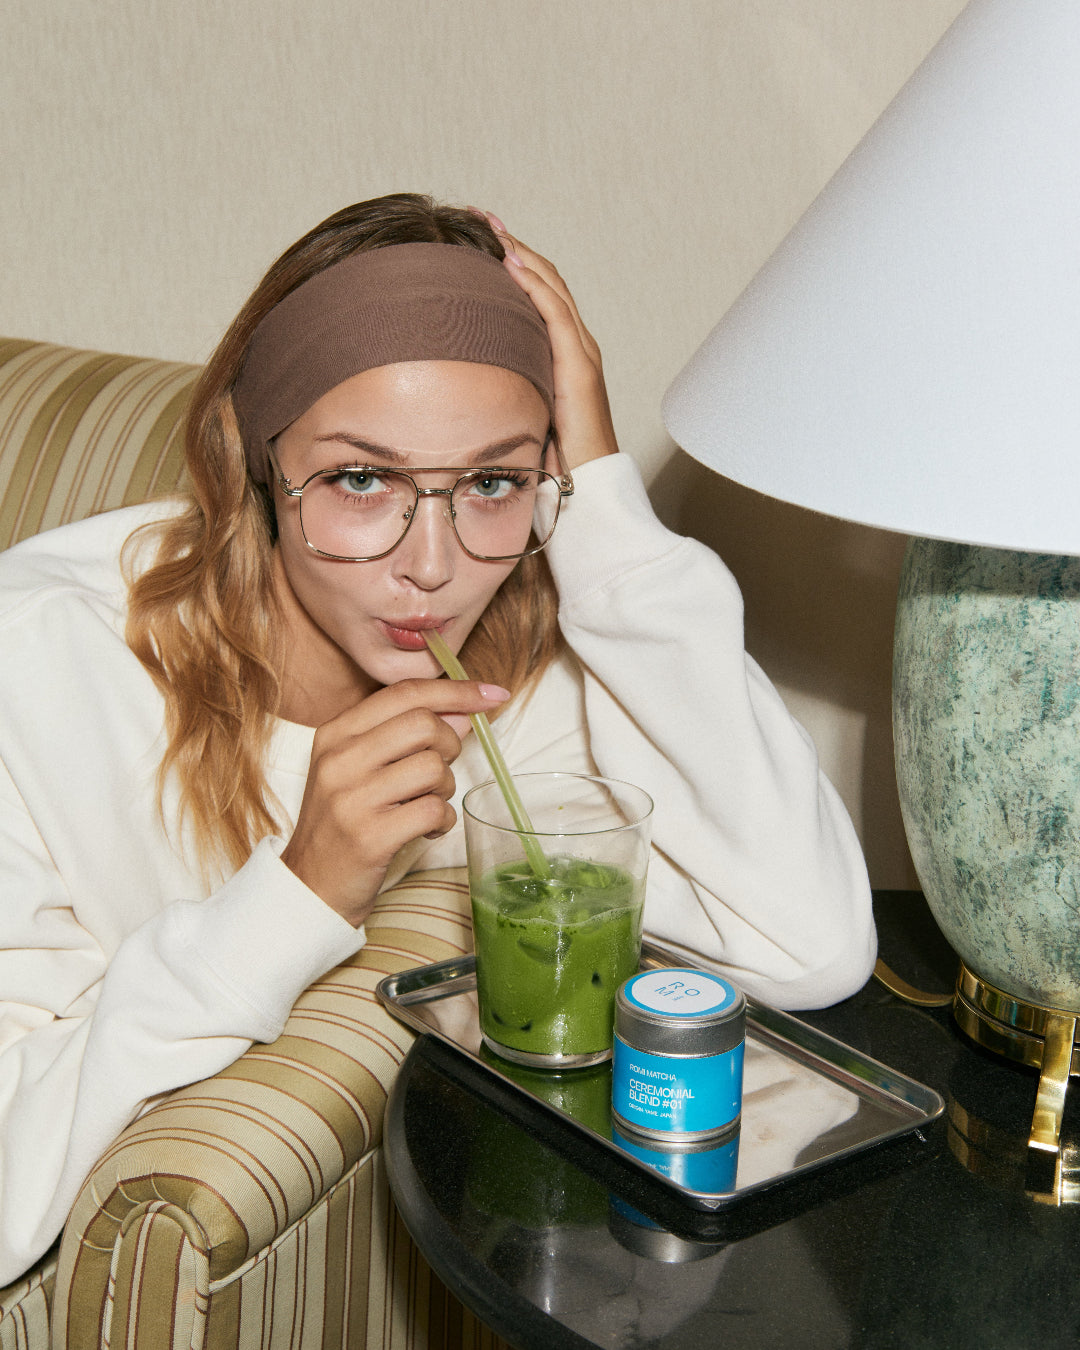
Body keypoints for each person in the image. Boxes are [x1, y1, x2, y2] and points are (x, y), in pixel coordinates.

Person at [0, 193, 875, 1284]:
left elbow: (808, 945)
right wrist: (296, 895)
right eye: (363, 479)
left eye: (493, 482)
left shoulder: (524, 671)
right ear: (259, 469)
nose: (433, 564)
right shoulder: (39, 660)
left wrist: (604, 508)